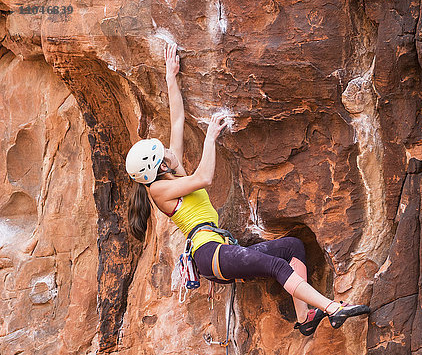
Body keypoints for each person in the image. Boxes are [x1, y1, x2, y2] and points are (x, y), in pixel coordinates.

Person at [126, 43, 370, 336]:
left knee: (293, 247)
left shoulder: (170, 173)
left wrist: (170, 77)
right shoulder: (159, 192)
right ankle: (334, 309)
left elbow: (177, 119)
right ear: (158, 169)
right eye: (162, 155)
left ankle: (305, 319)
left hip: (219, 248)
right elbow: (204, 178)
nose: (167, 152)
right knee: (277, 268)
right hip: (209, 252)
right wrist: (210, 139)